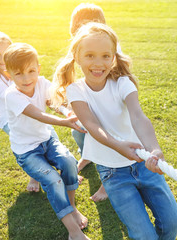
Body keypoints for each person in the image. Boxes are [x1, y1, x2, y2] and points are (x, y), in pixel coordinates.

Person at [52, 22, 177, 240]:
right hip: (113, 174)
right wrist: (117, 145)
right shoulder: (76, 91)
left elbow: (138, 116)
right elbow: (92, 126)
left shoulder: (123, 83)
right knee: (144, 235)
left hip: (143, 166)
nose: (98, 63)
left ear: (113, 57)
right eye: (90, 55)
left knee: (172, 224)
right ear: (77, 56)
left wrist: (154, 149)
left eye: (105, 56)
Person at [3, 43, 89, 240]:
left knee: (69, 163)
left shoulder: (41, 83)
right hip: (27, 151)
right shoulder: (12, 95)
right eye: (19, 74)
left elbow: (54, 103)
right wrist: (66, 122)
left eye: (31, 71)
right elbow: (38, 114)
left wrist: (68, 112)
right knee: (53, 180)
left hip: (47, 140)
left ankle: (73, 208)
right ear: (9, 75)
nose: (27, 79)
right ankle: (74, 232)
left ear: (38, 68)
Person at [0, 31, 42, 192]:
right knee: (31, 144)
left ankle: (66, 170)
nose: (2, 59)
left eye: (5, 53)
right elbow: (13, 96)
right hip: (9, 120)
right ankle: (35, 178)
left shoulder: (19, 69)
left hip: (27, 115)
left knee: (49, 137)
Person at [68, 3, 113, 202]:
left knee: (107, 139)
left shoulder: (109, 46)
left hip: (108, 104)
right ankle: (87, 155)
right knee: (77, 129)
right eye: (79, 27)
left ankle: (108, 183)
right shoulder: (78, 47)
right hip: (89, 101)